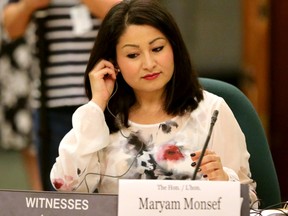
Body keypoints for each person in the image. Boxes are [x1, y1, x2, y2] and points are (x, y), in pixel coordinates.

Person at [50, 0, 258, 205]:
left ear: (174, 49)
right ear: (113, 63)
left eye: (157, 49)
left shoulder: (212, 111)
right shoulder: (102, 118)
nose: (149, 64)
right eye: (133, 55)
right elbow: (67, 189)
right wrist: (97, 104)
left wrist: (224, 182)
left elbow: (250, 204)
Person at [2, 0, 121, 191]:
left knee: (107, 184)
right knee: (57, 189)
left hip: (107, 98)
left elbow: (123, 15)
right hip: (50, 102)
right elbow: (10, 28)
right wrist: (28, 5)